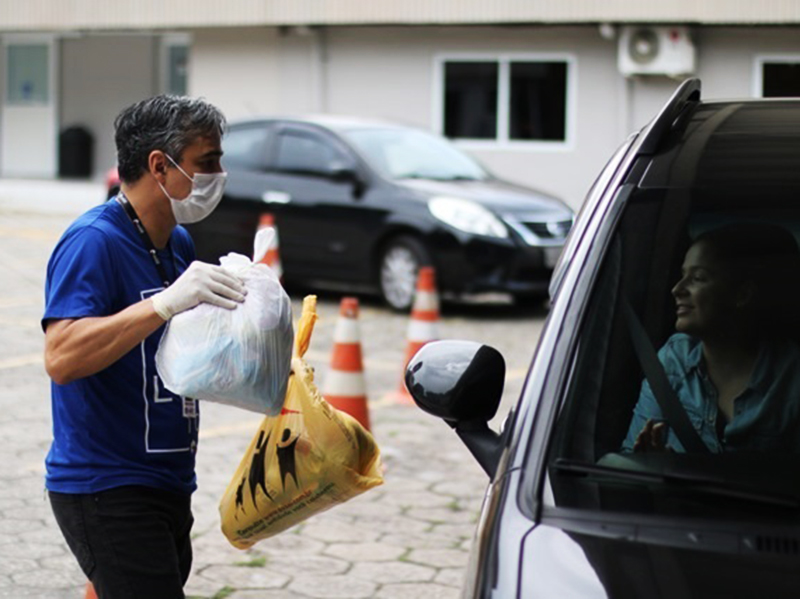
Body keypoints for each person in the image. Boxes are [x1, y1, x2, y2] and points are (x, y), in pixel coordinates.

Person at [43, 95, 247, 598]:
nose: (218, 176)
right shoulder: (94, 241)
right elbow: (62, 357)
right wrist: (162, 304)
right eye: (207, 162)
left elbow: (175, 353)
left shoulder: (175, 243)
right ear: (160, 165)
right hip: (107, 486)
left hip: (169, 478)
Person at [622, 222, 800, 454]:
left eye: (698, 278)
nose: (677, 289)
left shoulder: (791, 378)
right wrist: (654, 464)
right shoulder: (673, 360)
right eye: (682, 275)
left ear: (742, 294)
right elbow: (629, 459)